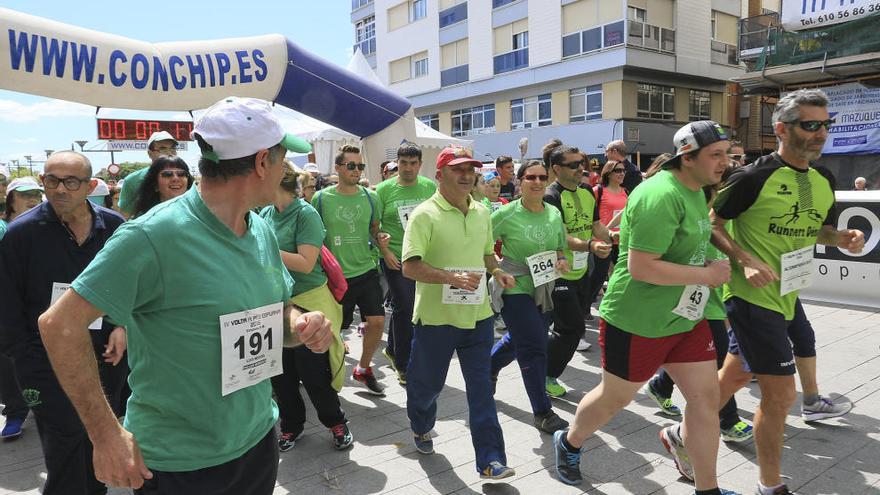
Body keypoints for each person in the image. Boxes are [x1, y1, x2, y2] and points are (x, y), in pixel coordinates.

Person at [35, 97, 333, 494]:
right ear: (262, 162)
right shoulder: (152, 235)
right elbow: (58, 325)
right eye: (281, 159)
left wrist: (300, 324)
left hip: (257, 439)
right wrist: (106, 434)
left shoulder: (259, 229)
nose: (284, 170)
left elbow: (275, 315)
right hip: (177, 466)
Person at [553, 121, 735, 495]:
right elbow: (642, 266)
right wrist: (708, 275)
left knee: (705, 400)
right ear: (688, 157)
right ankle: (569, 442)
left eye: (727, 154)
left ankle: (708, 489)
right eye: (716, 155)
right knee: (614, 399)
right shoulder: (659, 195)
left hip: (685, 317)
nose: (725, 162)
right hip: (637, 321)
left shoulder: (698, 191)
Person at [707, 89, 864, 495]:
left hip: (788, 294)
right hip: (751, 298)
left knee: (733, 377)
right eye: (810, 125)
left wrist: (841, 237)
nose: (820, 133)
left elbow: (819, 230)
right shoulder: (752, 176)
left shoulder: (824, 179)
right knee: (780, 395)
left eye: (825, 125)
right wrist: (743, 259)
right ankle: (769, 485)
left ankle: (679, 432)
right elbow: (713, 224)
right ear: (781, 128)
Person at [0, 151, 128, 494]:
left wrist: (122, 325)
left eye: (71, 181)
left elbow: (133, 288)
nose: (60, 189)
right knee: (65, 449)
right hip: (45, 364)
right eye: (52, 180)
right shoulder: (20, 235)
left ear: (89, 185)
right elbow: (7, 311)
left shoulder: (115, 228)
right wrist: (26, 363)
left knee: (99, 441)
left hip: (105, 360)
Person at [402, 146, 516, 480]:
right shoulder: (424, 214)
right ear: (439, 175)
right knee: (426, 387)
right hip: (436, 321)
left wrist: (498, 272)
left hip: (478, 317)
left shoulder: (482, 211)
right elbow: (410, 267)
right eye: (458, 169)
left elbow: (486, 255)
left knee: (481, 390)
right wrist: (450, 278)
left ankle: (491, 460)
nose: (467, 175)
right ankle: (421, 425)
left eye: (471, 170)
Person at [644, 165, 755, 444]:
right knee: (717, 360)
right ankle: (727, 421)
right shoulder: (698, 217)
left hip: (718, 298)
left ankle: (661, 385)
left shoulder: (730, 218)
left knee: (697, 361)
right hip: (696, 302)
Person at [261, 163, 351, 453]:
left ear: (275, 179)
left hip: (309, 302)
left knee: (314, 375)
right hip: (274, 304)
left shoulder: (305, 213)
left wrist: (261, 248)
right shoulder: (265, 213)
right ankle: (291, 425)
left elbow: (305, 262)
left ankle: (335, 421)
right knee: (281, 376)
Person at [489, 160, 569, 434]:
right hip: (514, 287)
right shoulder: (506, 214)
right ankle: (542, 411)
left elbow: (560, 246)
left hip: (544, 286)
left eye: (541, 177)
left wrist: (560, 260)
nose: (536, 182)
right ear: (520, 182)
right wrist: (497, 270)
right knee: (535, 345)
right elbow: (480, 244)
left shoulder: (554, 214)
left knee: (520, 338)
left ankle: (488, 367)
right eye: (530, 177)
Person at [312, 145, 386, 396]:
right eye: (351, 165)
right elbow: (315, 236)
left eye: (360, 166)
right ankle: (328, 376)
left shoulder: (370, 197)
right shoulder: (321, 198)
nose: (356, 170)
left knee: (376, 322)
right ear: (338, 168)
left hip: (366, 269)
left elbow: (374, 229)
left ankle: (363, 369)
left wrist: (380, 238)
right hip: (335, 277)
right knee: (335, 330)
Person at [543, 145, 613, 398]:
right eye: (573, 164)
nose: (580, 168)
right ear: (556, 169)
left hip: (582, 270)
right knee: (570, 329)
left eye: (581, 163)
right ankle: (546, 376)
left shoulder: (586, 191)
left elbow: (595, 225)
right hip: (557, 272)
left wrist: (612, 237)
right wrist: (591, 245)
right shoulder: (551, 196)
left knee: (565, 327)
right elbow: (561, 236)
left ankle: (526, 356)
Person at [375, 142, 436, 385]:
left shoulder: (429, 186)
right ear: (396, 163)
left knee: (411, 307)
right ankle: (403, 363)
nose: (408, 168)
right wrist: (384, 249)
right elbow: (374, 226)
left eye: (413, 163)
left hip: (423, 256)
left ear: (420, 164)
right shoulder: (383, 190)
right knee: (406, 305)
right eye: (403, 163)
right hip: (395, 257)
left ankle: (392, 349)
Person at [579, 160, 629, 347]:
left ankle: (611, 309)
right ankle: (584, 307)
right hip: (602, 239)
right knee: (598, 277)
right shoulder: (598, 191)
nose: (621, 173)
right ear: (608, 172)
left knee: (622, 274)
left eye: (623, 170)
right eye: (617, 170)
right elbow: (591, 216)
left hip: (621, 240)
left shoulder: (626, 192)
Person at [116, 130, 179, 217]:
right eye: (162, 149)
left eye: (173, 148)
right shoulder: (132, 180)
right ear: (150, 153)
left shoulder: (183, 177)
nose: (169, 153)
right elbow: (125, 215)